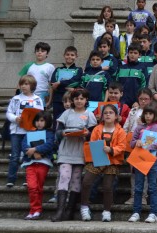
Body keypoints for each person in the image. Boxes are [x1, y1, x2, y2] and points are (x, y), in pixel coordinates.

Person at [52, 89, 98, 222]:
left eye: (82, 98)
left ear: (86, 100)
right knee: (64, 177)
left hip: (80, 151)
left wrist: (86, 134)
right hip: (66, 150)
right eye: (76, 98)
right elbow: (58, 130)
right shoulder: (66, 113)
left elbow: (94, 134)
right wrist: (62, 134)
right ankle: (60, 211)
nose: (79, 101)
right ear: (73, 100)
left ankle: (69, 211)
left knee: (76, 179)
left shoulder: (89, 115)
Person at [79, 104, 126, 222]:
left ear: (116, 116)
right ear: (102, 116)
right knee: (86, 182)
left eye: (111, 113)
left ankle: (107, 211)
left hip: (112, 161)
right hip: (97, 159)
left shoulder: (120, 131)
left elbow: (122, 146)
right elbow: (93, 143)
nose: (108, 115)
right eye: (106, 113)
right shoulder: (97, 129)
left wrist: (111, 150)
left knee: (107, 186)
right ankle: (84, 207)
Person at [128, 105, 157, 223]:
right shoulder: (139, 127)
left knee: (152, 187)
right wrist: (137, 142)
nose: (148, 116)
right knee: (138, 187)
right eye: (146, 114)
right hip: (140, 159)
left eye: (151, 114)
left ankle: (153, 213)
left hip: (152, 160)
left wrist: (149, 146)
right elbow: (131, 143)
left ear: (155, 115)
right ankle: (136, 212)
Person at [6, 75, 45, 189]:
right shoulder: (16, 99)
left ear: (32, 86)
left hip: (31, 131)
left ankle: (28, 179)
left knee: (29, 155)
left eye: (26, 84)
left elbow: (41, 114)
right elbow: (9, 113)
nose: (24, 86)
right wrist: (15, 118)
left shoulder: (37, 99)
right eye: (22, 84)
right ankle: (11, 178)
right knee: (14, 155)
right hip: (17, 131)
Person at [20, 111, 55, 220]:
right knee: (32, 186)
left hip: (43, 163)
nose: (39, 123)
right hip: (30, 163)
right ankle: (34, 209)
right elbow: (24, 144)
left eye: (42, 121)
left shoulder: (50, 134)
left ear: (47, 122)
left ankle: (37, 210)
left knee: (38, 187)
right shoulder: (29, 133)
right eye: (37, 120)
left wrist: (36, 149)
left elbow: (49, 145)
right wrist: (33, 153)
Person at [122, 89, 154, 205]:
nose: (143, 101)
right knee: (133, 171)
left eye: (146, 99)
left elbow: (156, 127)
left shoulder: (152, 112)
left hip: (147, 144)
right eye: (141, 99)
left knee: (144, 171)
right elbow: (126, 127)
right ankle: (134, 195)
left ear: (150, 100)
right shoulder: (133, 111)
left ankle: (144, 197)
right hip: (133, 143)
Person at [50, 46, 82, 119]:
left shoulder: (78, 70)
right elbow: (53, 82)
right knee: (57, 119)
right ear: (64, 55)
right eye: (67, 54)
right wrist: (57, 84)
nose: (69, 57)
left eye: (72, 55)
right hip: (58, 99)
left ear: (76, 56)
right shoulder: (58, 69)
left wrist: (60, 83)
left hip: (72, 100)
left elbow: (75, 81)